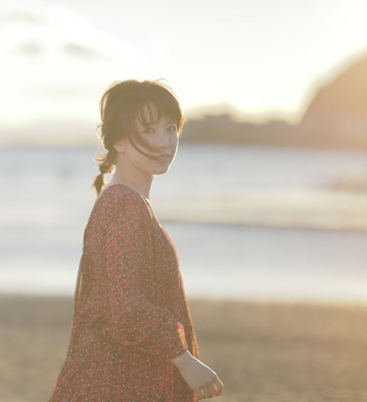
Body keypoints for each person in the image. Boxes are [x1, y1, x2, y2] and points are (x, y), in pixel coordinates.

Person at [48, 79, 224, 401]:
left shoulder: (125, 201)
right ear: (118, 141)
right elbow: (126, 308)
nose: (164, 142)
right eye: (148, 130)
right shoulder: (125, 205)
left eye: (170, 128)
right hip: (119, 382)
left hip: (119, 378)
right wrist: (184, 360)